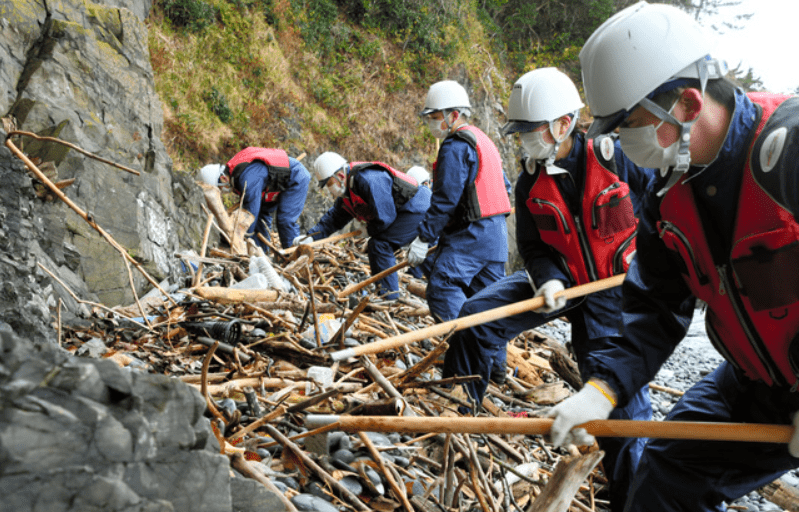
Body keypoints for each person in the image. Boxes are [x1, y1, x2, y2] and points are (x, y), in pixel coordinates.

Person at [548, 3, 799, 510]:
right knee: (665, 477)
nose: (624, 143)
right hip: (756, 381)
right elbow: (655, 306)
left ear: (687, 103)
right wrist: (605, 387)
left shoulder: (788, 149)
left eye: (632, 125)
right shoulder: (668, 200)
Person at [441, 68, 656, 510]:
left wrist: (660, 262)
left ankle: (630, 496)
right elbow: (533, 246)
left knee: (618, 401)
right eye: (518, 133)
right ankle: (456, 420)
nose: (523, 141)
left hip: (615, 293)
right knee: (475, 320)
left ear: (563, 124)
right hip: (561, 278)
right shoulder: (529, 181)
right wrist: (549, 276)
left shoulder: (617, 158)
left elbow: (666, 205)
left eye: (528, 131)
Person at [409, 80, 512, 323]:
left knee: (442, 287)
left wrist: (424, 238)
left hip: (471, 235)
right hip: (497, 236)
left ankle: (465, 348)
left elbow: (445, 199)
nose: (431, 123)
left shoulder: (455, 147)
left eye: (435, 116)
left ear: (454, 115)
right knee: (489, 305)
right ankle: (491, 361)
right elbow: (504, 187)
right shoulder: (483, 141)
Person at [296, 152, 432, 301]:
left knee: (380, 245)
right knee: (377, 245)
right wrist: (309, 238)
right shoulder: (347, 194)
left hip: (419, 207)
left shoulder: (369, 179)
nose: (330, 190)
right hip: (408, 211)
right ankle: (385, 292)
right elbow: (332, 221)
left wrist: (368, 230)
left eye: (329, 184)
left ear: (340, 176)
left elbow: (386, 217)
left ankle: (389, 298)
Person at [200, 147, 310, 252]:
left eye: (220, 188)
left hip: (295, 178)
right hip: (273, 183)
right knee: (261, 217)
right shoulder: (236, 172)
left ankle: (294, 256)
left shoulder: (246, 178)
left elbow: (250, 213)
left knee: (285, 220)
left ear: (223, 178)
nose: (222, 192)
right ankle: (261, 253)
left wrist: (242, 237)